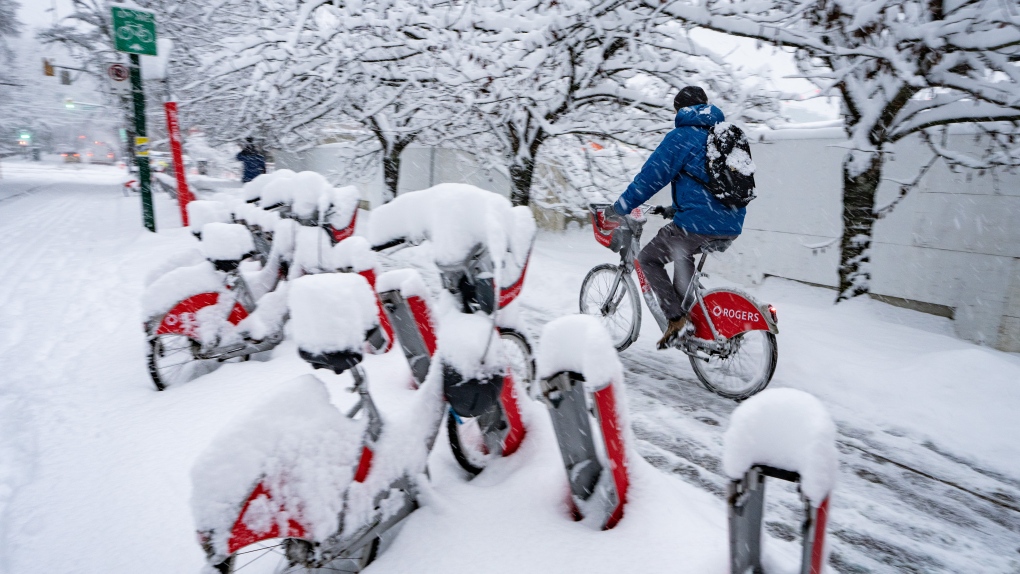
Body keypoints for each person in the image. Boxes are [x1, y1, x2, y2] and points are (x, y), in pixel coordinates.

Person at [609, 86, 745, 349]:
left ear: (681, 109)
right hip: (732, 222)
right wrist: (675, 209)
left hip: (699, 222)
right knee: (681, 250)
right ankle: (690, 317)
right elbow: (709, 183)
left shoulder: (682, 136)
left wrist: (621, 207)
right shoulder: (722, 135)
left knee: (647, 259)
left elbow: (650, 178)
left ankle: (677, 320)